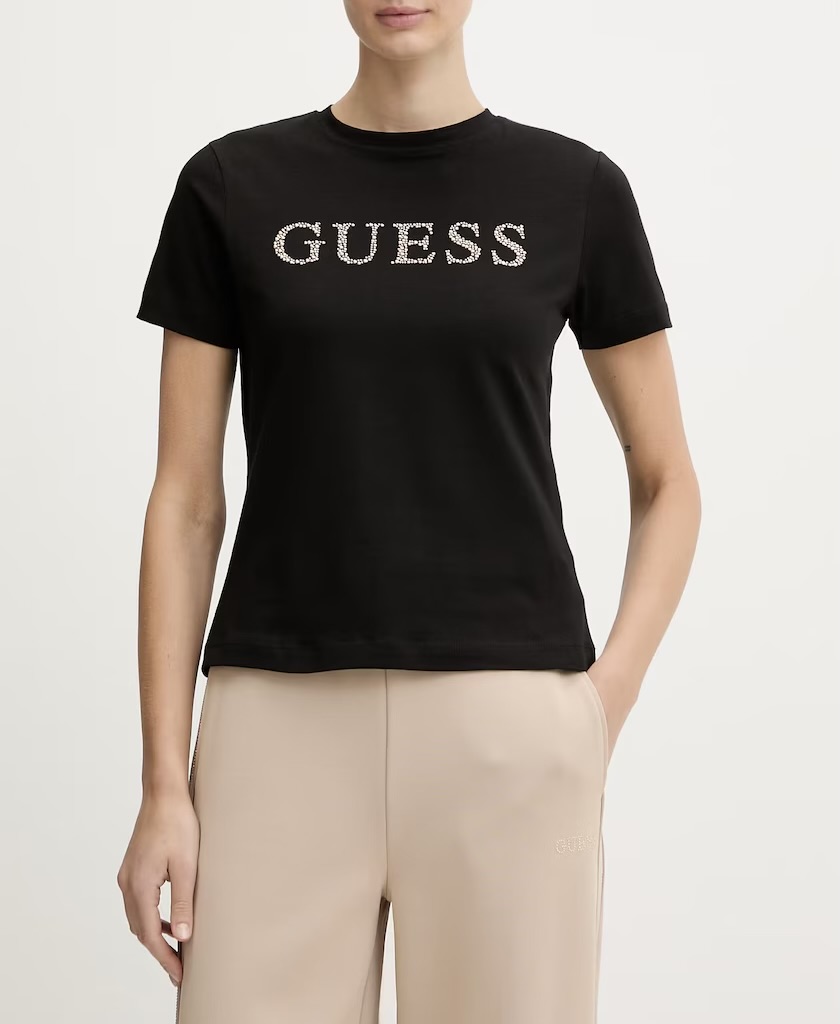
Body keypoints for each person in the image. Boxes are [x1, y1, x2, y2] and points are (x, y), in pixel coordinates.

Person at [117, 1, 701, 1021]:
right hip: (275, 723)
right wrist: (165, 781)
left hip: (509, 722)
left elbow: (668, 479)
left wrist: (603, 698)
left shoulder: (574, 190)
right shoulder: (232, 184)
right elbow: (186, 499)